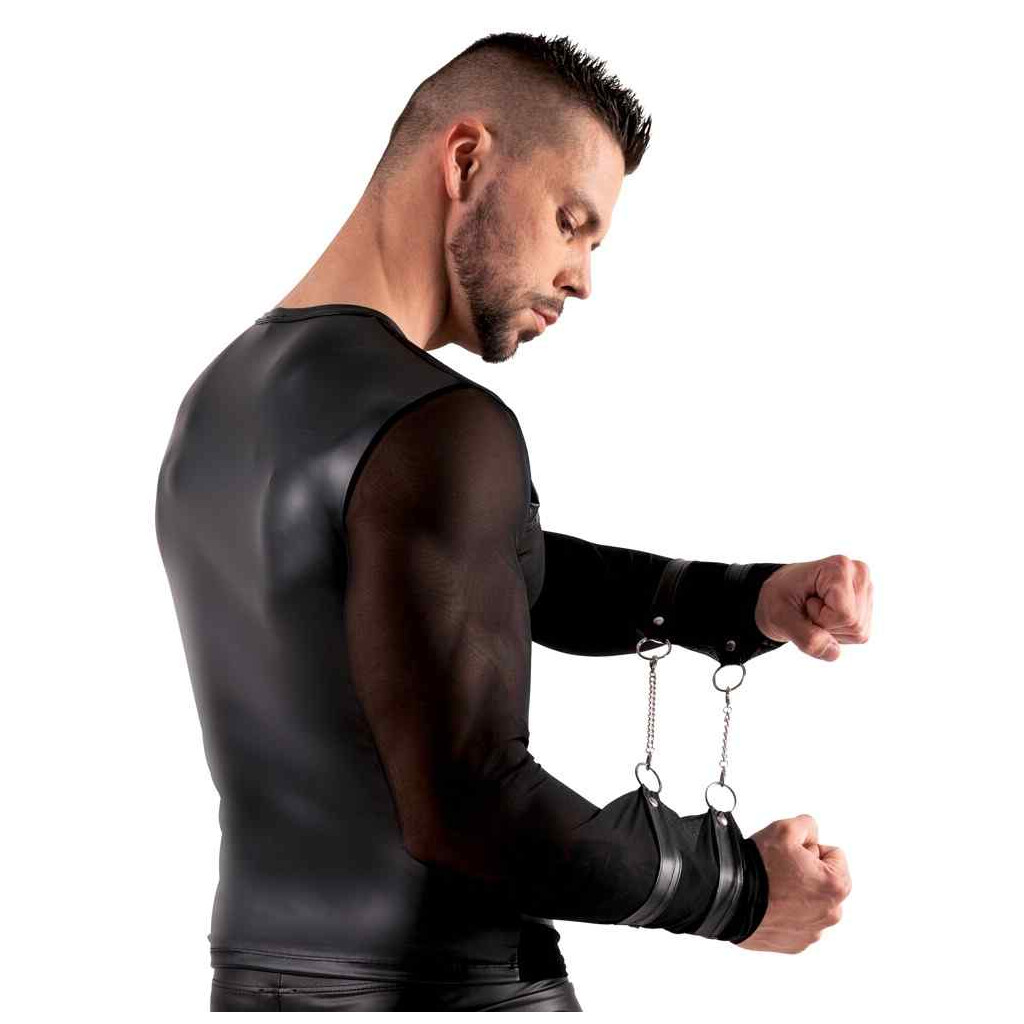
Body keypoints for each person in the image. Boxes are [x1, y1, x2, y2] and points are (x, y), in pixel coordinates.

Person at [155, 31, 869, 1012]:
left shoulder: (219, 403)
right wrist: (736, 891)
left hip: (259, 981)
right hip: (453, 990)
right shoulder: (440, 425)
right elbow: (472, 804)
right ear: (465, 161)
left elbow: (455, 575)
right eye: (572, 223)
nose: (582, 278)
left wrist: (743, 600)